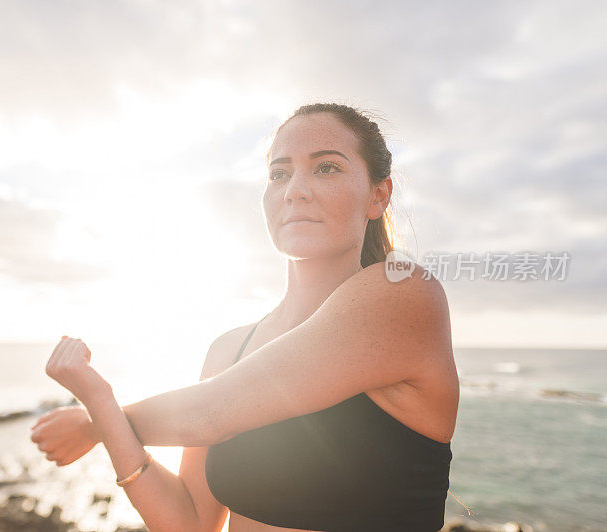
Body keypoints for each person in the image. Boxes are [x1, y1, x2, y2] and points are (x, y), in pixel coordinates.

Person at [31, 102, 460, 532]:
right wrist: (107, 426)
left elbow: (210, 415)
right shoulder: (226, 351)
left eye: (326, 168)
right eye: (279, 173)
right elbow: (191, 522)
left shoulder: (403, 294)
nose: (295, 189)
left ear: (378, 195)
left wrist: (96, 421)